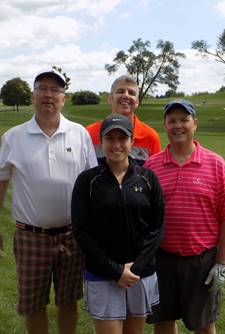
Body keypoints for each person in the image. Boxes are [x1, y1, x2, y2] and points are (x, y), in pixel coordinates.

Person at [0, 70, 97, 334]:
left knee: (68, 300)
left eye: (55, 90)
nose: (48, 95)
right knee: (33, 303)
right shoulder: (14, 137)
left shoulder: (79, 134)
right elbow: (1, 182)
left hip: (71, 234)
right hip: (31, 236)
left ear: (63, 98)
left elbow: (92, 185)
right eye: (43, 88)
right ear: (33, 95)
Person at [145, 99, 225, 334]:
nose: (178, 125)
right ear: (164, 125)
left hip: (202, 260)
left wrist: (222, 263)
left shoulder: (216, 165)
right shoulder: (151, 166)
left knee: (204, 325)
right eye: (172, 120)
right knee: (164, 322)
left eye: (184, 120)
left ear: (195, 123)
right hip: (162, 258)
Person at [71, 113, 164, 334]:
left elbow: (157, 227)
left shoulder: (148, 178)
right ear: (101, 142)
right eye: (109, 139)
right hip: (102, 273)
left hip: (139, 274)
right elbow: (82, 232)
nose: (116, 145)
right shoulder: (87, 180)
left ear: (131, 142)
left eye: (122, 138)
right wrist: (115, 271)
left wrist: (136, 268)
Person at [86, 75, 161, 165]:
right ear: (110, 99)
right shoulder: (89, 133)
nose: (126, 95)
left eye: (131, 93)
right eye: (120, 91)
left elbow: (155, 174)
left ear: (137, 102)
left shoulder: (150, 137)